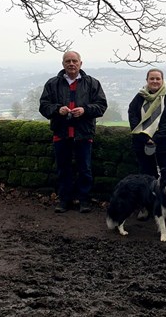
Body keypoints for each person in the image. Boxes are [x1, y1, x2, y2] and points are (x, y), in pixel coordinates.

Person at [39, 51, 108, 214]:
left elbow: (101, 105)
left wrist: (85, 110)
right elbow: (43, 106)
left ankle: (84, 200)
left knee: (85, 168)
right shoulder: (52, 83)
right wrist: (57, 110)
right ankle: (64, 200)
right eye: (68, 61)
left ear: (80, 63)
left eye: (74, 61)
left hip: (84, 133)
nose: (71, 64)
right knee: (63, 168)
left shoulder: (92, 83)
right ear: (63, 64)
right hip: (61, 132)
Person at [128, 68, 166, 177]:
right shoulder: (139, 98)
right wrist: (146, 139)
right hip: (143, 146)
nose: (154, 81)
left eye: (157, 78)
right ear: (147, 80)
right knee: (146, 179)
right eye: (152, 78)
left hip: (165, 147)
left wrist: (155, 139)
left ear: (162, 80)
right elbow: (133, 117)